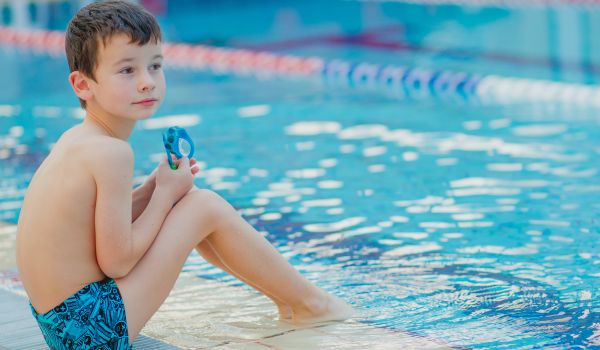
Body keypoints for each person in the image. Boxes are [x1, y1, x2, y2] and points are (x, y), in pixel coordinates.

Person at [15, 1, 354, 348]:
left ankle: (292, 301)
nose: (147, 82)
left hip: (63, 325)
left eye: (155, 66)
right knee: (201, 206)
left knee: (191, 202)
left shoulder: (77, 139)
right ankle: (311, 304)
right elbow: (116, 262)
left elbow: (92, 231)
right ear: (83, 85)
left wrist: (153, 188)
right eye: (127, 71)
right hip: (93, 330)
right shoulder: (111, 152)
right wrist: (164, 196)